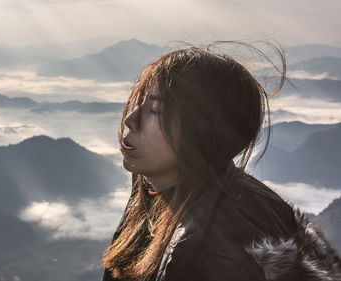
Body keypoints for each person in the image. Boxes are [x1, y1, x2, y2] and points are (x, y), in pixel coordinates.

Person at [101, 43, 341, 281]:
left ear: (202, 130)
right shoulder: (154, 186)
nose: (131, 119)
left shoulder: (226, 249)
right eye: (138, 101)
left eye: (156, 109)